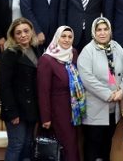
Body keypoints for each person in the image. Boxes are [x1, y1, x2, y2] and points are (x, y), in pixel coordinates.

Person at [77, 17, 123, 161]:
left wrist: (122, 90)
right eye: (99, 30)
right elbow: (87, 79)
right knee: (92, 149)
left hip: (113, 110)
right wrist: (109, 95)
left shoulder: (116, 47)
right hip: (94, 110)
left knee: (106, 147)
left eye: (105, 29)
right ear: (94, 32)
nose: (102, 33)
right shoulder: (87, 51)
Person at [37, 26, 86, 161]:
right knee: (68, 147)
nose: (66, 40)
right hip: (58, 110)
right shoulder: (47, 59)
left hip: (74, 110)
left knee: (73, 144)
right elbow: (43, 91)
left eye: (70, 37)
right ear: (57, 38)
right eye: (63, 36)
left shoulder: (73, 53)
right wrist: (45, 118)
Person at [0, 17, 41, 161]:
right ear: (13, 36)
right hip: (16, 110)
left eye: (26, 31)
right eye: (18, 33)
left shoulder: (36, 49)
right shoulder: (8, 54)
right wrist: (12, 113)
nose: (23, 35)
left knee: (28, 144)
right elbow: (4, 86)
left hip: (31, 108)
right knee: (17, 145)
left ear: (31, 32)